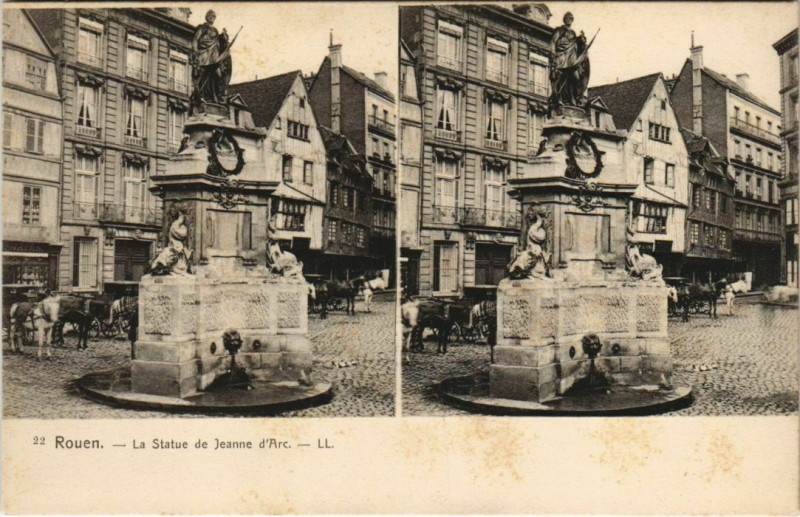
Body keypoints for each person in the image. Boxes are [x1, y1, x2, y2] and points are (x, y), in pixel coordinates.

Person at [549, 12, 590, 110]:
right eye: (567, 18)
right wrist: (553, 54)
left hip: (571, 58)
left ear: (572, 20)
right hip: (562, 56)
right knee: (561, 77)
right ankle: (559, 99)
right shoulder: (560, 30)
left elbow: (577, 45)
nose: (568, 20)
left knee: (575, 78)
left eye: (570, 18)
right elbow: (553, 42)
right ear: (564, 19)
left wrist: (582, 40)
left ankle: (573, 98)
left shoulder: (573, 33)